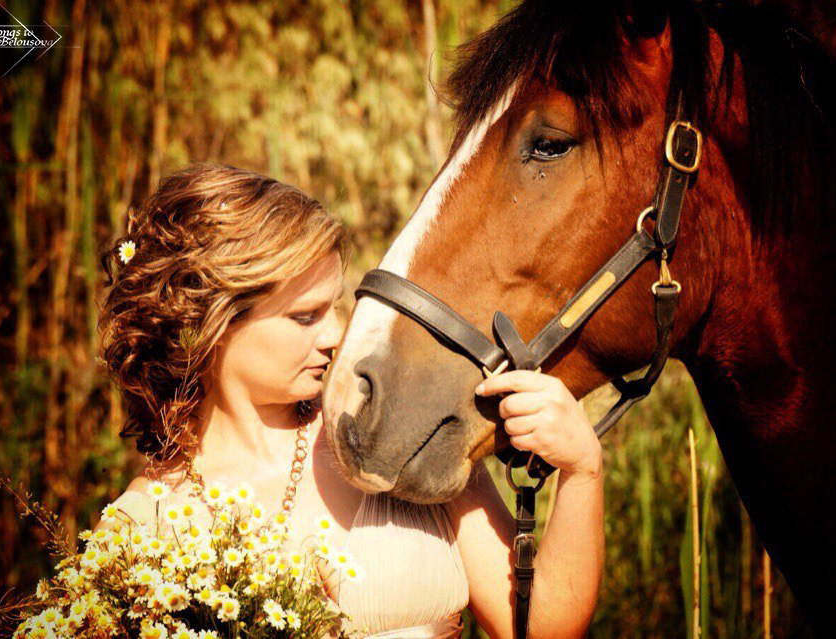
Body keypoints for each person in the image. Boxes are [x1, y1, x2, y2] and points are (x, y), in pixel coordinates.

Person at [96, 163, 604, 638]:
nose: (335, 333)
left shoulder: (393, 436)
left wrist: (582, 470)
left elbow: (541, 627)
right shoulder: (141, 530)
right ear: (213, 324)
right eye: (304, 316)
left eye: (335, 306)